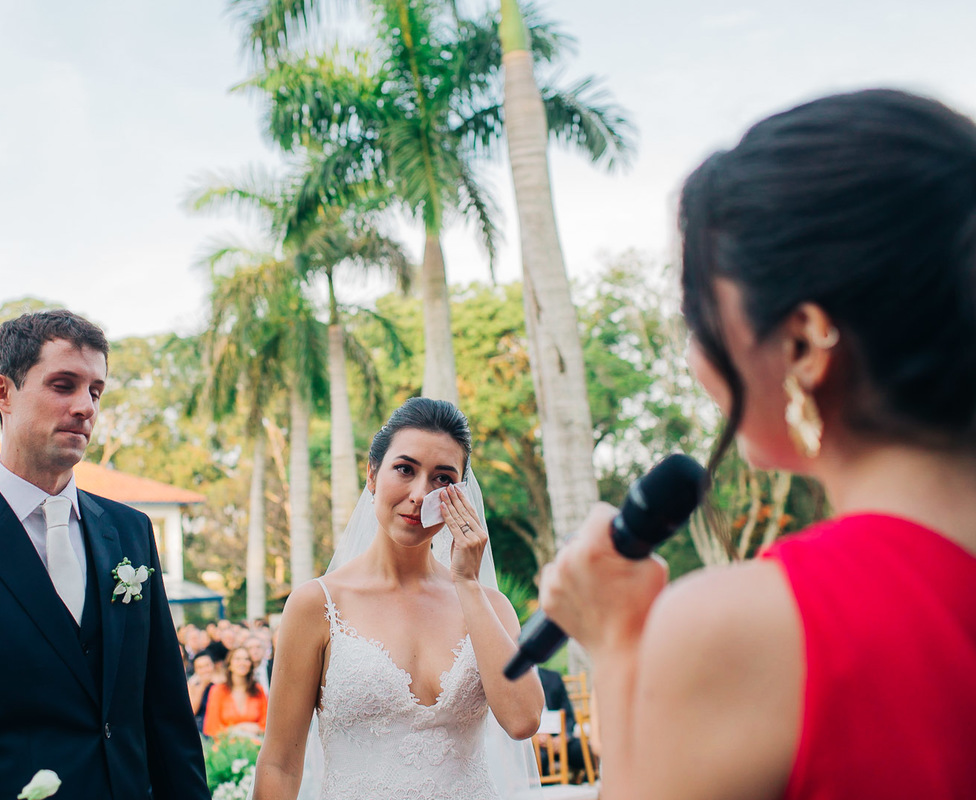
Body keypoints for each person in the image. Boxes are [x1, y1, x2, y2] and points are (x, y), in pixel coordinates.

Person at [539, 89, 976, 800]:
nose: (694, 358)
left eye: (698, 317)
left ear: (803, 342)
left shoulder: (748, 628)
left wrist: (616, 646)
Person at [0, 310, 210, 800]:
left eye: (95, 391)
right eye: (63, 385)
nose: (85, 407)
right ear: (2, 392)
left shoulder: (130, 532)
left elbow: (167, 717)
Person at [254, 397, 544, 800]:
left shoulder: (489, 606)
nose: (420, 494)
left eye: (442, 479)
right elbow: (280, 764)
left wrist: (467, 584)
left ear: (461, 494)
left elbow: (523, 720)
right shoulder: (316, 605)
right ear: (372, 474)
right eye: (405, 469)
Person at [202, 647, 267, 739]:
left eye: (246, 659)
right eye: (237, 659)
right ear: (229, 664)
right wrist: (239, 729)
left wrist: (257, 729)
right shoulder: (218, 690)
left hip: (255, 742)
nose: (242, 663)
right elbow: (212, 728)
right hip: (226, 744)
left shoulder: (258, 690)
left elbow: (266, 725)